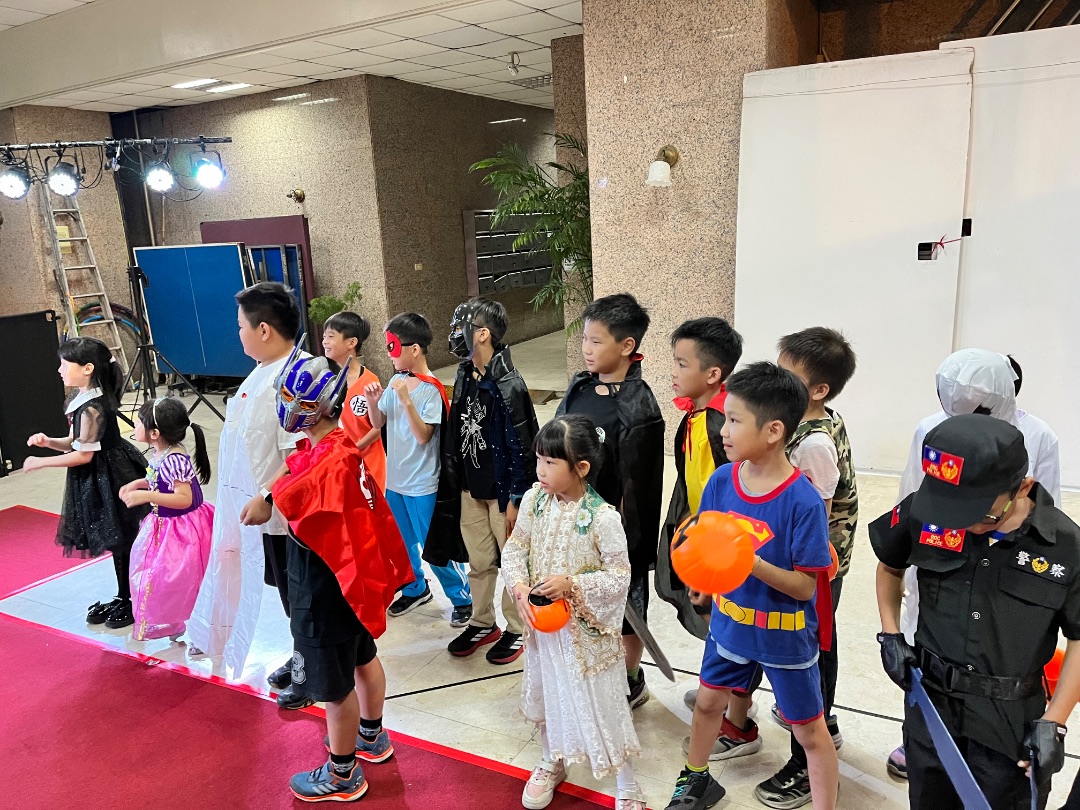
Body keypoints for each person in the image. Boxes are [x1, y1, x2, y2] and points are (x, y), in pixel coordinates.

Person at [870, 414, 1080, 809]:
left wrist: (1055, 721)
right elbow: (890, 566)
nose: (962, 525)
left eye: (980, 515)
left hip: (1009, 723)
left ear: (1023, 487)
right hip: (932, 708)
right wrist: (891, 632)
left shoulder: (1065, 548)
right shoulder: (926, 512)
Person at [665, 361, 838, 810]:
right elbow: (708, 544)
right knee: (708, 704)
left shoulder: (802, 501)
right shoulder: (722, 481)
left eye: (735, 420)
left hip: (785, 638)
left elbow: (805, 588)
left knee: (809, 731)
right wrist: (703, 582)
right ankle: (696, 779)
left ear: (773, 430)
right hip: (729, 626)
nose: (723, 430)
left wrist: (751, 562)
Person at [887, 348, 1061, 778]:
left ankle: (990, 743)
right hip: (940, 555)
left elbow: (1046, 511)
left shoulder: (1038, 436)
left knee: (995, 652)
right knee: (925, 649)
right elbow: (912, 497)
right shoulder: (930, 430)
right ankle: (922, 732)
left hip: (1002, 563)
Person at [265, 350, 412, 803]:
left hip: (325, 589)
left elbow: (292, 506)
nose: (286, 404)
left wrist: (265, 501)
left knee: (335, 688)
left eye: (294, 397)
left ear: (315, 406)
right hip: (351, 585)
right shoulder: (340, 443)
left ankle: (342, 774)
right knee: (364, 658)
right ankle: (372, 736)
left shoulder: (326, 463)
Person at [502, 414, 646, 810]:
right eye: (538, 460)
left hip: (585, 639)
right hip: (543, 631)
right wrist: (518, 585)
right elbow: (516, 547)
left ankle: (627, 782)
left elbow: (620, 576)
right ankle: (551, 759)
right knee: (548, 692)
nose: (540, 470)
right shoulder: (534, 501)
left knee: (602, 706)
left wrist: (573, 584)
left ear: (581, 468)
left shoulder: (602, 518)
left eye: (550, 462)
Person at [744, 327, 857, 807]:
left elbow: (816, 516)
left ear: (819, 391)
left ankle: (807, 756)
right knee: (813, 647)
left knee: (815, 648)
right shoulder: (805, 424)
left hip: (816, 571)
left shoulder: (813, 444)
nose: (776, 379)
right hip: (808, 566)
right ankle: (814, 718)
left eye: (787, 374)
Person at [187, 282, 305, 707]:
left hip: (291, 515)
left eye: (241, 326)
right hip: (264, 514)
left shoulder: (295, 376)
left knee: (302, 596)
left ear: (264, 330)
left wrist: (268, 496)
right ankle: (303, 655)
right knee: (289, 595)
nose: (237, 334)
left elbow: (303, 454)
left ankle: (312, 671)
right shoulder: (263, 370)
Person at [557, 292, 665, 709]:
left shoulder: (639, 405)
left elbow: (641, 487)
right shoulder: (580, 386)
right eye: (585, 338)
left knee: (626, 607)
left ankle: (631, 678)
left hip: (617, 530)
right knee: (580, 601)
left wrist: (626, 544)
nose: (586, 348)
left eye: (596, 341)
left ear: (627, 346)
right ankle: (589, 670)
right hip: (572, 518)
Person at [654, 317, 755, 753]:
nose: (673, 372)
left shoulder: (720, 426)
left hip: (726, 550)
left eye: (682, 364)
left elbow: (731, 499)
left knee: (732, 630)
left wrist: (712, 558)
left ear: (713, 374)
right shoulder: (699, 417)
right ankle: (724, 693)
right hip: (708, 541)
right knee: (720, 631)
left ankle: (737, 721)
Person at [24, 337, 150, 629]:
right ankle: (124, 594)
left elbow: (82, 455)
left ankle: (131, 597)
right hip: (100, 473)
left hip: (111, 475)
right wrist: (49, 442)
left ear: (87, 368)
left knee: (122, 538)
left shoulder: (93, 407)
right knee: (118, 539)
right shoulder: (83, 400)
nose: (59, 370)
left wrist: (41, 462)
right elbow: (76, 441)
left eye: (64, 365)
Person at [444, 298, 539, 664]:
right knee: (480, 561)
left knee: (514, 563)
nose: (455, 334)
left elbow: (523, 447)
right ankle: (483, 622)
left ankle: (517, 626)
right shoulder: (464, 375)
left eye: (460, 327)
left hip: (502, 494)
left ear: (482, 334)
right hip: (471, 489)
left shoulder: (510, 384)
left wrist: (516, 498)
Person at [365, 312, 472, 624]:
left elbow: (424, 435)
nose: (390, 353)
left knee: (434, 546)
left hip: (424, 483)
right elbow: (378, 422)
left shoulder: (431, 389)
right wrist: (373, 401)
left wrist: (407, 401)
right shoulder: (396, 381)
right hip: (396, 481)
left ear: (414, 349)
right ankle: (414, 587)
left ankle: (461, 596)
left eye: (393, 346)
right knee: (401, 543)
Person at [121, 397, 214, 642]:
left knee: (184, 578)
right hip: (163, 525)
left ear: (154, 433)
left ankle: (199, 630)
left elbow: (183, 498)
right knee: (158, 576)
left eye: (139, 422)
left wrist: (146, 496)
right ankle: (173, 620)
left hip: (183, 531)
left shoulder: (174, 459)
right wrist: (138, 484)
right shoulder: (162, 453)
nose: (135, 425)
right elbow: (159, 479)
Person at [322, 311, 387, 492]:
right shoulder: (323, 379)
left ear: (351, 342)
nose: (324, 342)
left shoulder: (370, 382)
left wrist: (352, 450)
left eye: (330, 336)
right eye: (324, 337)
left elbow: (377, 428)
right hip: (338, 466)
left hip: (368, 468)